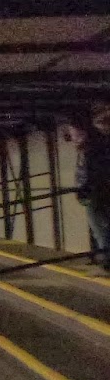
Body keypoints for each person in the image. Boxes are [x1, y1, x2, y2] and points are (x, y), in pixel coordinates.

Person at [71, 103, 110, 270]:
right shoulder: (96, 144)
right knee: (100, 225)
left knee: (99, 225)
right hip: (98, 190)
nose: (73, 138)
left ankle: (106, 257)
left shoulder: (92, 146)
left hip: (97, 191)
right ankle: (105, 256)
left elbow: (89, 171)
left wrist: (83, 189)